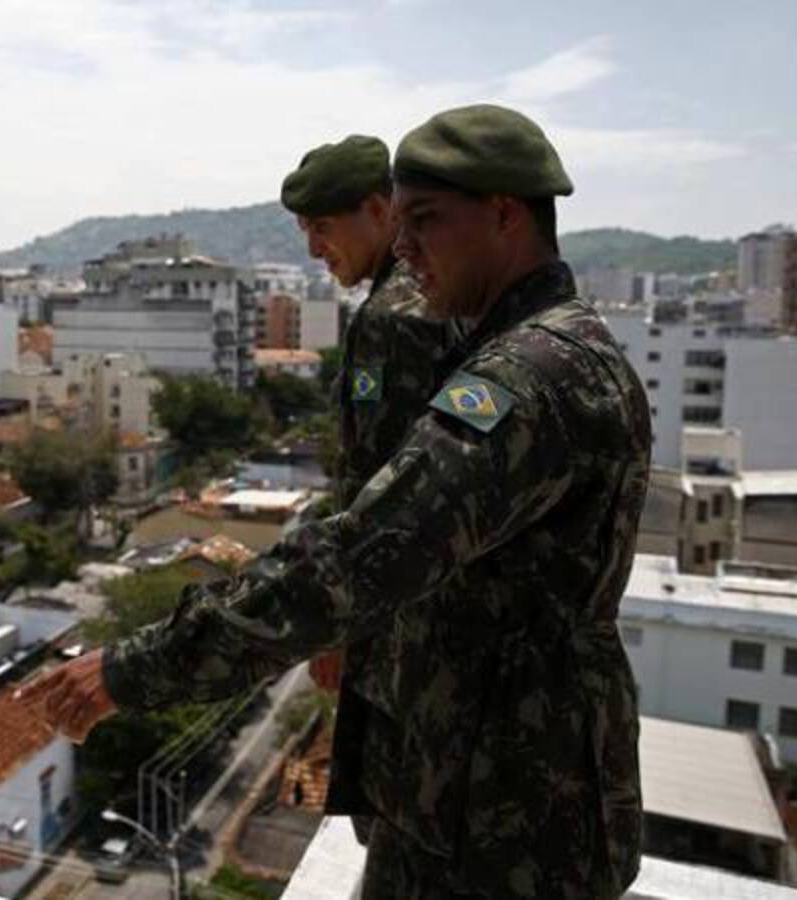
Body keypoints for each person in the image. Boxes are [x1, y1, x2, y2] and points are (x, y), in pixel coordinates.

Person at [19, 104, 650, 899]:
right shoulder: (537, 348)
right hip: (474, 780)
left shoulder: (527, 379)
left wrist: (134, 670)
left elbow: (360, 555)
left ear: (504, 214)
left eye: (425, 220)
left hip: (504, 808)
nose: (407, 247)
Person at [279, 135, 453, 788]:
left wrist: (339, 623)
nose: (313, 248)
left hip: (402, 635)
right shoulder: (428, 294)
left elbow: (386, 497)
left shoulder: (394, 317)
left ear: (380, 211)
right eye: (304, 230)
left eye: (322, 227)